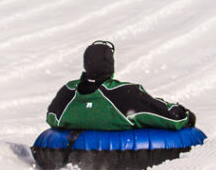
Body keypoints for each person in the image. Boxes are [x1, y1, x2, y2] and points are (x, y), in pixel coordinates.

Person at [46, 41, 196, 131]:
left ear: (86, 65)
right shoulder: (123, 94)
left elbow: (52, 117)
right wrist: (185, 114)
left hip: (72, 150)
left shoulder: (68, 92)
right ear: (110, 66)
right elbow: (168, 117)